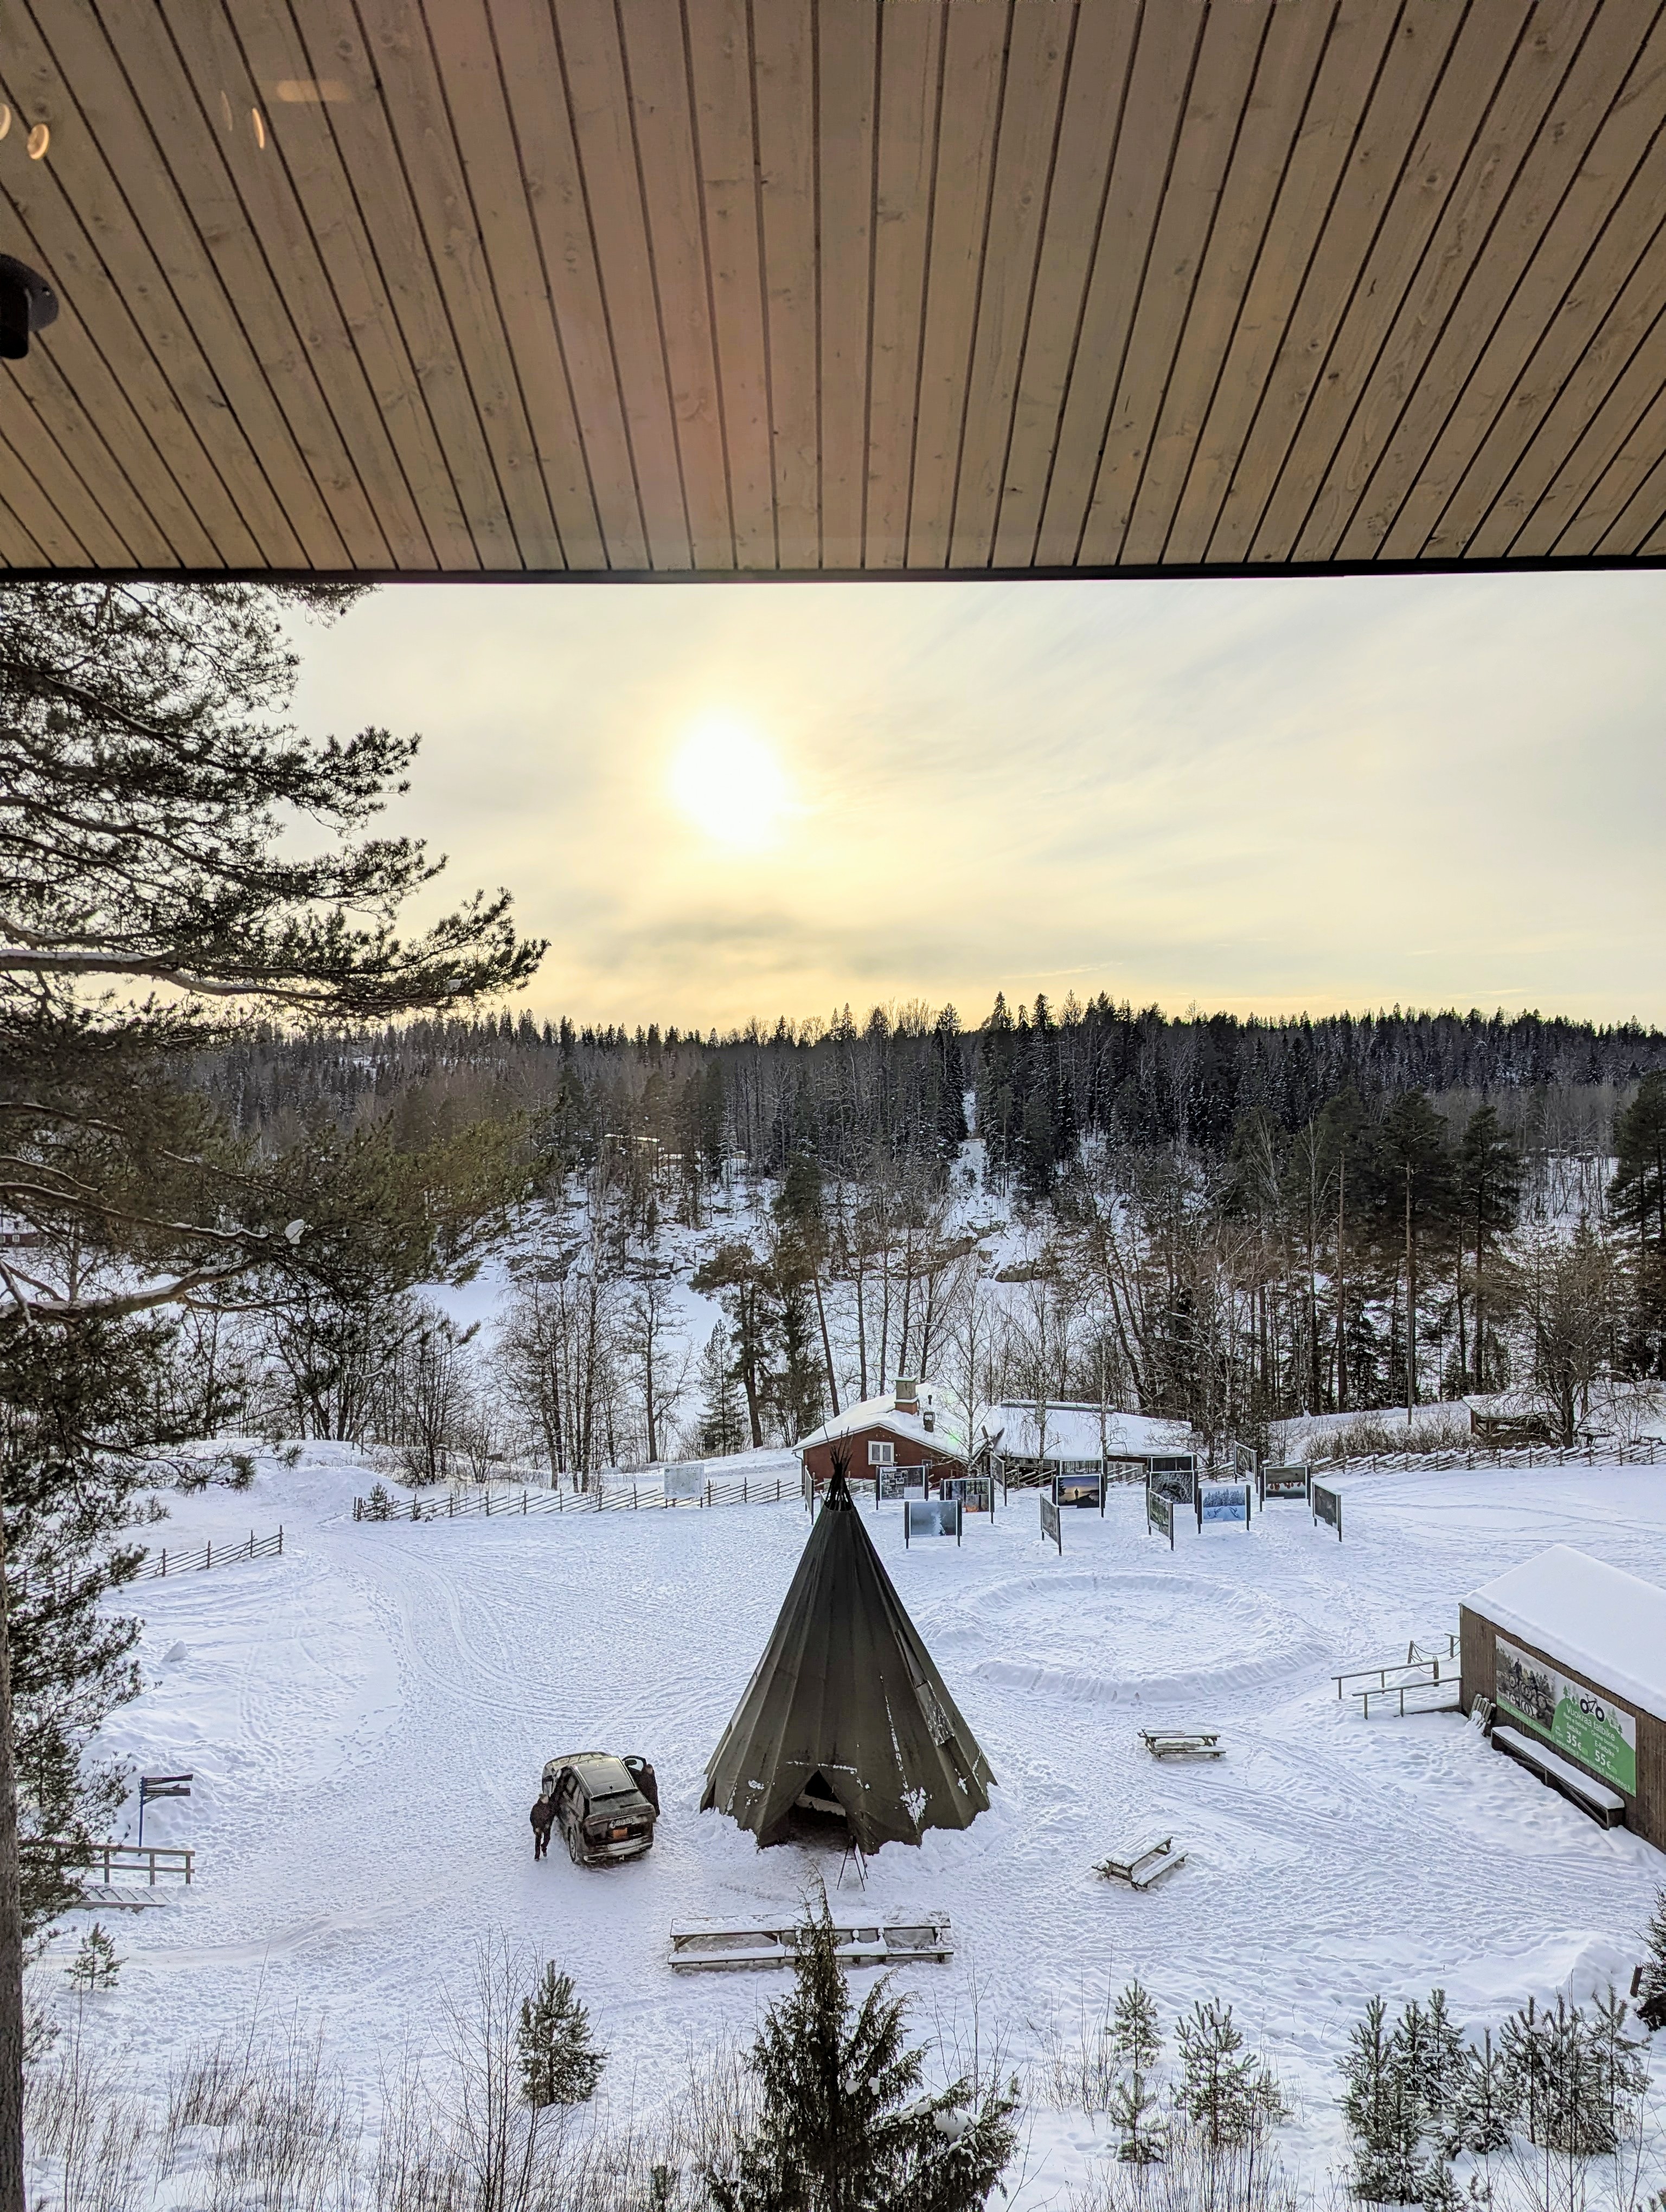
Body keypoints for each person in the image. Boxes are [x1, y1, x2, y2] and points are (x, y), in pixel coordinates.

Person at [530, 1783, 557, 1861]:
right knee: (538, 1841)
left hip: (546, 1826)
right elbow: (532, 1818)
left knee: (547, 1839)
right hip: (538, 1827)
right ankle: (537, 1856)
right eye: (545, 1800)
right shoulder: (536, 1808)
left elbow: (551, 1816)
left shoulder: (550, 1806)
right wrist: (536, 1827)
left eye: (547, 1799)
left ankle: (544, 1847)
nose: (547, 1801)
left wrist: (548, 1824)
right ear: (541, 1800)